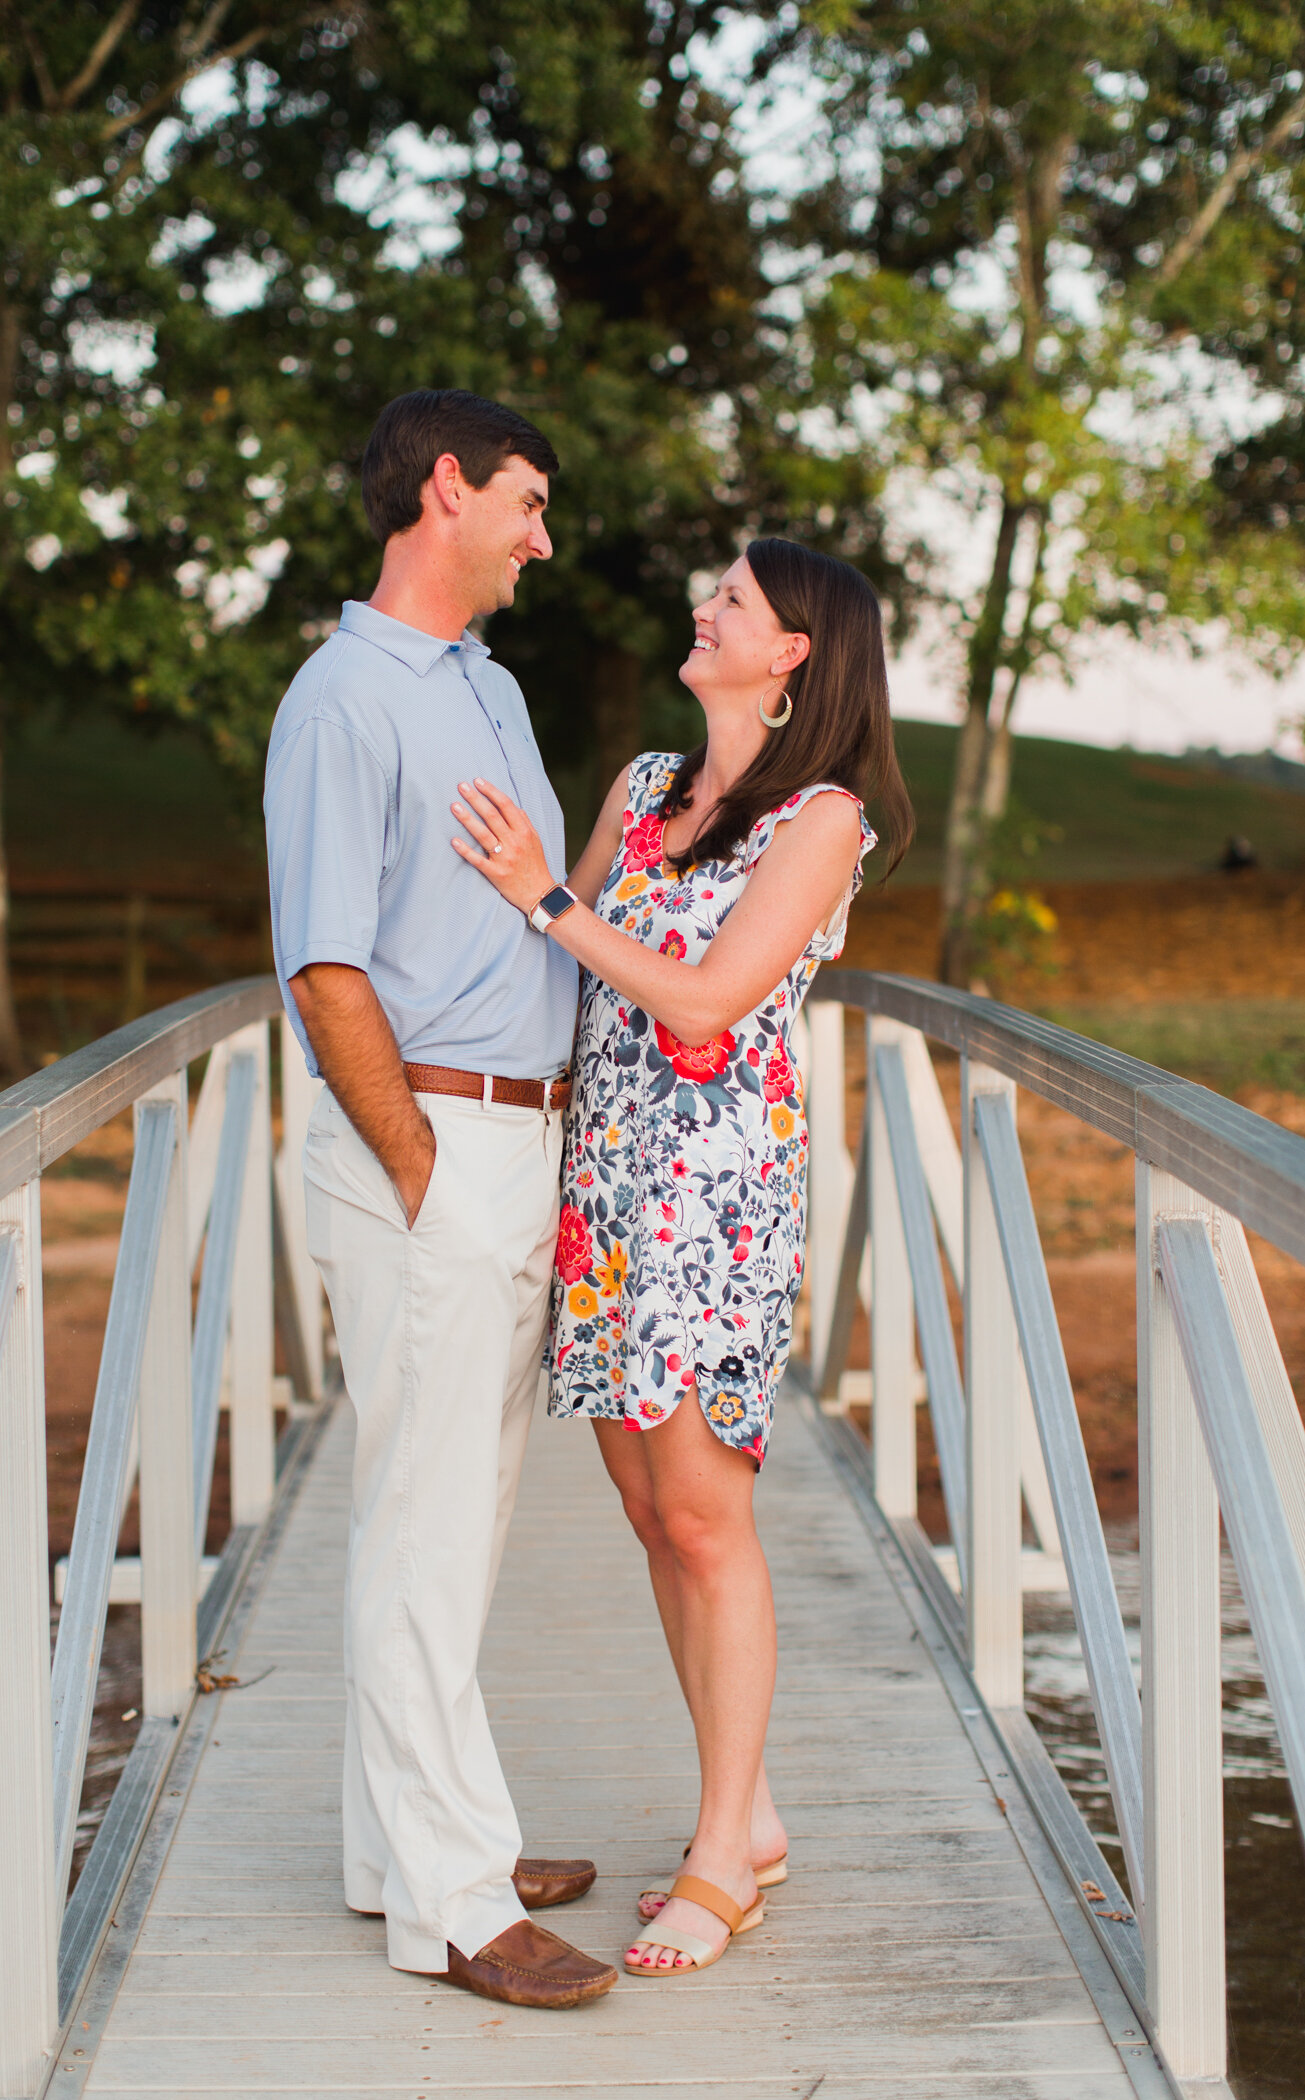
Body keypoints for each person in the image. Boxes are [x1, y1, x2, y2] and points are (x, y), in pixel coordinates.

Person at [450, 537, 913, 1977]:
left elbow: (709, 997)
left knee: (710, 1521)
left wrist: (547, 897)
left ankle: (723, 1851)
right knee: (655, 1518)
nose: (700, 610)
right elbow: (552, 968)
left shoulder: (821, 821)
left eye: (730, 600)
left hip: (712, 1207)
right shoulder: (645, 789)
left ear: (790, 654)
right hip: (604, 1191)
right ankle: (749, 1809)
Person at [264, 389, 616, 2010]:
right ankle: (456, 1904)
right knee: (423, 1522)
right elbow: (325, 964)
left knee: (447, 1515)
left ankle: (395, 1841)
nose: (543, 538)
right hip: (435, 1145)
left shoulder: (484, 683)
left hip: (513, 1136)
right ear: (445, 489)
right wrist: (419, 1167)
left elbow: (523, 920)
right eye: (526, 504)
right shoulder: (344, 701)